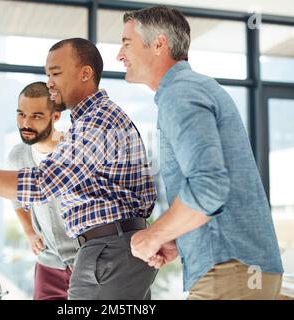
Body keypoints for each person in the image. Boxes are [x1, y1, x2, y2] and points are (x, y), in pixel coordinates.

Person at [0, 38, 158, 300]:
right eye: (47, 74)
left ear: (86, 73)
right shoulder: (90, 120)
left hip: (109, 254)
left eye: (56, 73)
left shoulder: (96, 121)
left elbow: (40, 184)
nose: (49, 81)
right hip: (113, 253)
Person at [117, 6, 284, 300]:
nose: (120, 55)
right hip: (237, 270)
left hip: (230, 273)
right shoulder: (193, 89)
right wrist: (179, 240)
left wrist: (153, 235)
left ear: (159, 44)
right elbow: (220, 193)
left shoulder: (180, 94)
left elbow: (209, 187)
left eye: (126, 43)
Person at [8, 81, 77, 300]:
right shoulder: (18, 156)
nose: (25, 123)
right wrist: (29, 231)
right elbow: (16, 198)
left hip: (87, 265)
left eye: (36, 116)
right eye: (21, 114)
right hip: (48, 265)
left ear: (55, 117)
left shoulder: (75, 151)